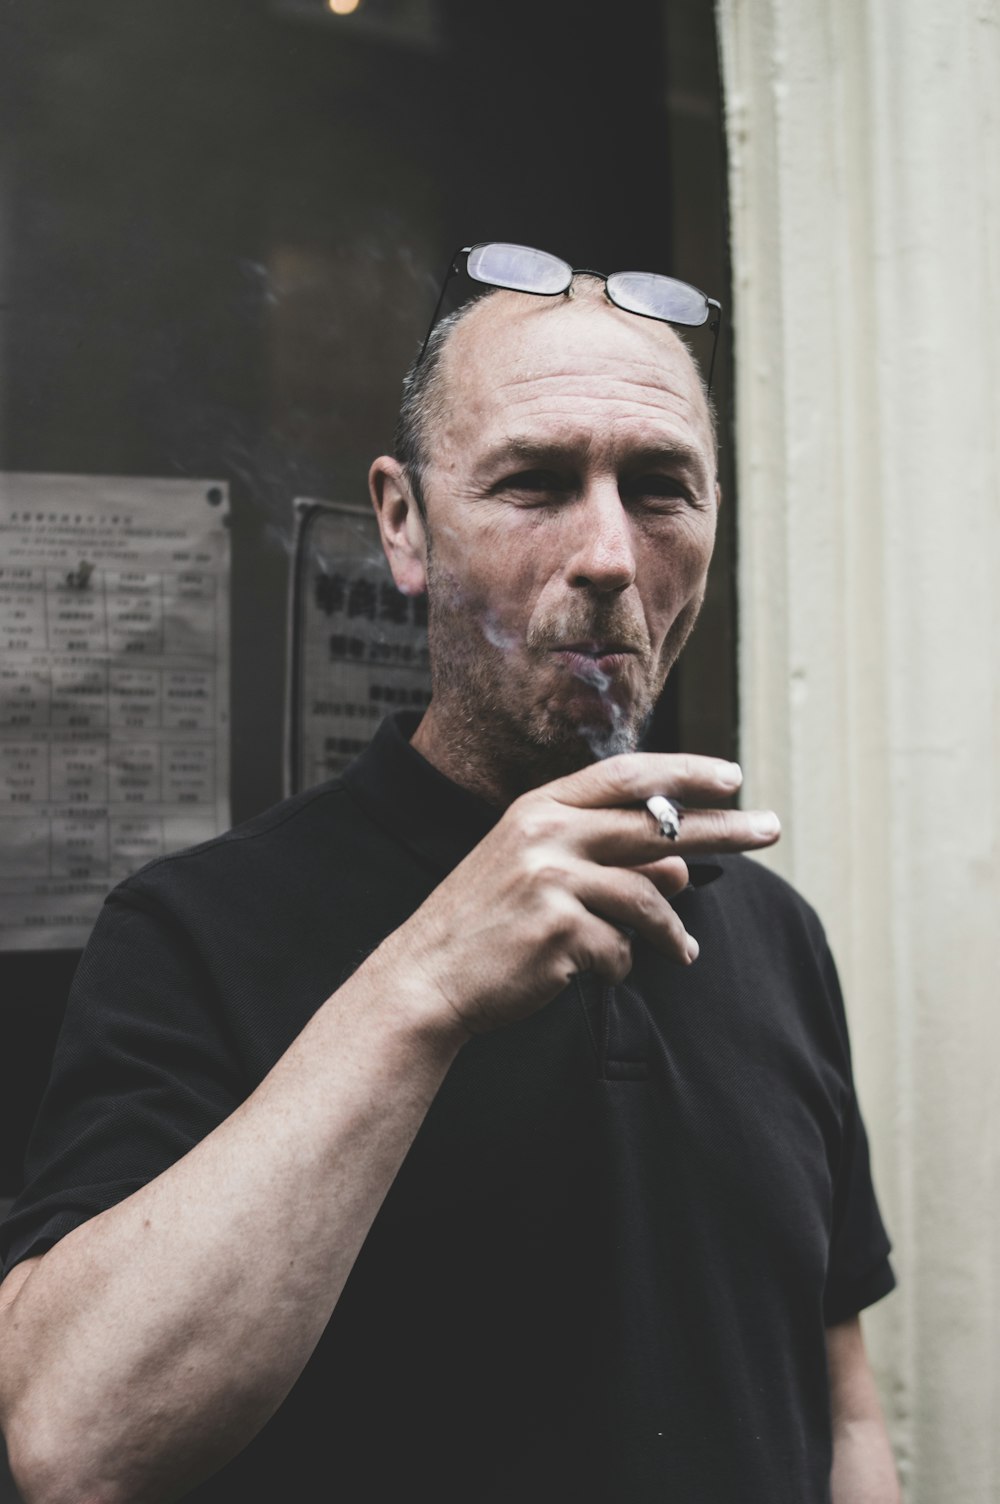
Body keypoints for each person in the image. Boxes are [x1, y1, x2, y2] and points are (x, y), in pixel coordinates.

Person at [0, 249, 899, 1503]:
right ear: (405, 524)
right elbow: (72, 1442)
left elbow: (840, 1406)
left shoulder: (778, 934)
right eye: (534, 482)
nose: (606, 554)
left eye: (658, 489)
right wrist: (424, 983)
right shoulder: (195, 930)